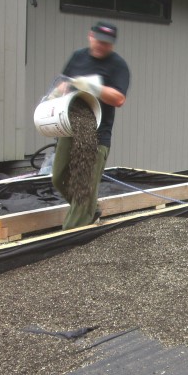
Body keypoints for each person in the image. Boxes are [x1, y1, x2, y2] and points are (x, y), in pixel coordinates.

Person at [52, 21, 130, 230]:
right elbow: (64, 81)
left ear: (112, 44)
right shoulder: (78, 56)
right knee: (59, 178)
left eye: (106, 43)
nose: (101, 46)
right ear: (90, 36)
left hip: (96, 134)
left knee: (82, 189)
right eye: (98, 40)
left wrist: (90, 86)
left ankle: (68, 238)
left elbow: (119, 99)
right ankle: (91, 209)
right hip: (71, 128)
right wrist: (61, 89)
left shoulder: (117, 65)